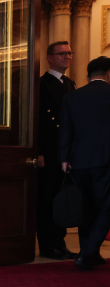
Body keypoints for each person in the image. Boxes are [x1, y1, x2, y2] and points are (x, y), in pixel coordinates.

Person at [59, 56, 110, 270]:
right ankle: (88, 251)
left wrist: (64, 157)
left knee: (86, 207)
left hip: (78, 161)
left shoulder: (73, 97)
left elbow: (66, 129)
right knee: (106, 206)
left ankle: (90, 254)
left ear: (88, 75)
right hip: (106, 160)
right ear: (108, 74)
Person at [37, 41, 77, 260]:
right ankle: (47, 244)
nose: (67, 57)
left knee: (62, 198)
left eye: (69, 53)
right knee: (47, 198)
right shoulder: (42, 83)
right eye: (62, 53)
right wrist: (40, 151)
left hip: (65, 151)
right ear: (50, 57)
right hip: (50, 150)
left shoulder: (70, 83)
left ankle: (60, 242)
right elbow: (41, 120)